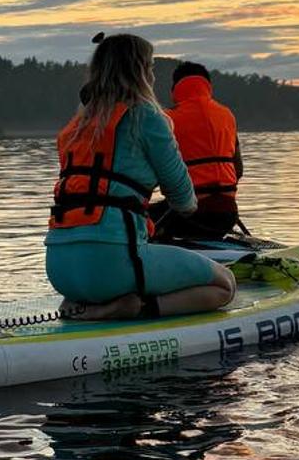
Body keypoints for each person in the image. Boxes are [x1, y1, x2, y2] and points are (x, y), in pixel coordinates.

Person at [46, 33, 236, 321]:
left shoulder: (74, 126)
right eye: (149, 68)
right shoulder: (147, 116)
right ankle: (135, 307)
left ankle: (92, 300)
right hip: (111, 264)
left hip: (59, 269)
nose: (152, 75)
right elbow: (184, 200)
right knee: (224, 284)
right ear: (140, 72)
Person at [150, 61, 243, 241]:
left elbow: (151, 177)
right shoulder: (226, 115)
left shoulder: (167, 119)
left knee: (137, 218)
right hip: (227, 214)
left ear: (175, 88)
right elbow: (238, 171)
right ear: (208, 86)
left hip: (188, 217)